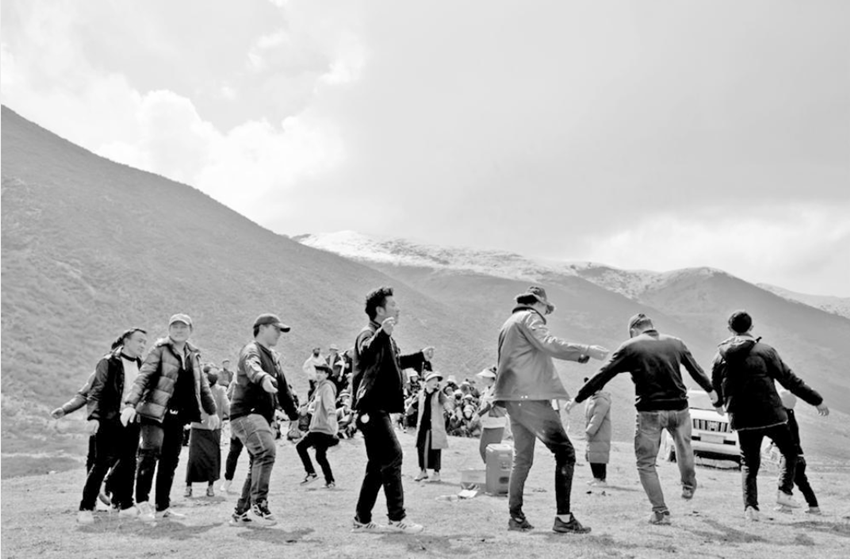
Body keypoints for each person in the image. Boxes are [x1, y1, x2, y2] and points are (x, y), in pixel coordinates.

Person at [570, 313, 718, 525]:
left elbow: (604, 374)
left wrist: (578, 398)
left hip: (650, 411)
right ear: (651, 326)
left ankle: (660, 512)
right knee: (684, 446)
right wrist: (712, 393)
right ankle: (688, 484)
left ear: (633, 330)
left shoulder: (630, 346)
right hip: (679, 408)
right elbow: (696, 370)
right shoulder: (676, 343)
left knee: (646, 463)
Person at [494, 286, 607, 534]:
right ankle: (563, 518)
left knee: (522, 459)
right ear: (538, 303)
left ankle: (516, 517)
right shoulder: (530, 317)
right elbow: (549, 343)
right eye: (547, 308)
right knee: (565, 453)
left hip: (512, 398)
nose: (547, 313)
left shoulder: (509, 323)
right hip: (530, 396)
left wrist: (578, 356)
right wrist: (586, 349)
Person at [710, 310, 829, 522]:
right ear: (751, 327)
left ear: (730, 329)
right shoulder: (766, 351)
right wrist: (816, 400)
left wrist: (719, 404)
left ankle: (751, 508)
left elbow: (715, 386)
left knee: (749, 464)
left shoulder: (720, 356)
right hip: (770, 415)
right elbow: (790, 380)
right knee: (790, 452)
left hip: (742, 418)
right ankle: (784, 492)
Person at [351, 286, 434, 534]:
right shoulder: (367, 334)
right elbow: (366, 351)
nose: (398, 309)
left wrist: (419, 356)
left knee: (377, 465)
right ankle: (397, 518)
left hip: (377, 409)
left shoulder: (383, 337)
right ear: (380, 310)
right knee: (393, 456)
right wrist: (382, 334)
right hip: (371, 408)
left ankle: (362, 519)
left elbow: (394, 363)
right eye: (393, 305)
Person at [121, 314, 217, 522]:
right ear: (169, 329)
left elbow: (202, 386)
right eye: (175, 326)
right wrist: (130, 404)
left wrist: (212, 411)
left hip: (178, 415)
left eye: (183, 327)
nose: (179, 330)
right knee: (150, 454)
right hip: (154, 412)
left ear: (190, 330)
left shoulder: (193, 356)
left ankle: (162, 507)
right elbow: (143, 377)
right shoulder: (159, 350)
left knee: (170, 460)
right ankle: (142, 503)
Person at [228, 313, 299, 527]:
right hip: (246, 414)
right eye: (276, 329)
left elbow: (284, 391)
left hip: (258, 417)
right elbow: (252, 366)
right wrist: (263, 377)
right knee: (266, 452)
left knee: (257, 462)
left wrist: (294, 417)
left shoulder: (274, 358)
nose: (279, 334)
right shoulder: (251, 350)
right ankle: (259, 505)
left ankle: (240, 513)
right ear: (262, 328)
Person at [77, 328, 148, 524]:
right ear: (126, 341)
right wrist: (93, 417)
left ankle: (126, 505)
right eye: (139, 341)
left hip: (132, 419)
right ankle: (85, 507)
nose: (143, 345)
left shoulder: (141, 364)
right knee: (101, 463)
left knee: (129, 463)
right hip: (109, 419)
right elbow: (96, 391)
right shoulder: (108, 362)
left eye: (145, 342)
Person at [774, 390, 821, 515]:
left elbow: (782, 435)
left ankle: (785, 507)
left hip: (790, 455)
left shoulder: (784, 417)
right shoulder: (790, 415)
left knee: (784, 480)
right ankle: (814, 507)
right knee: (802, 483)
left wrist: (773, 445)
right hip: (799, 456)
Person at [185, 368, 230, 498]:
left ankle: (210, 487)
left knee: (212, 459)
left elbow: (227, 407)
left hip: (213, 430)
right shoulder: (196, 389)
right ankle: (189, 487)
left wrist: (237, 415)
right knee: (194, 459)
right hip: (197, 428)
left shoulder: (220, 390)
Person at [296, 364, 340, 488]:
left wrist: (332, 422)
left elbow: (330, 406)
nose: (318, 374)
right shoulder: (319, 388)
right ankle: (330, 481)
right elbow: (317, 407)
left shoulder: (326, 388)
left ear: (327, 374)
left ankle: (311, 473)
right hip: (319, 427)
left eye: (321, 372)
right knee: (320, 456)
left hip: (321, 428)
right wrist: (307, 409)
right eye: (317, 372)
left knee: (300, 447)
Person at [414, 371, 451, 483]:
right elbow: (414, 404)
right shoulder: (421, 394)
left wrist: (450, 410)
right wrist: (406, 411)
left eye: (437, 380)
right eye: (433, 380)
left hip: (435, 426)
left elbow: (446, 403)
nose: (436, 382)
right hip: (423, 425)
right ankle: (423, 471)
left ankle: (436, 473)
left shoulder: (439, 394)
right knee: (421, 448)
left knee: (435, 449)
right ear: (427, 382)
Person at [582, 377, 612, 487]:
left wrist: (589, 431)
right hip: (594, 432)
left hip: (599, 433)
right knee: (593, 455)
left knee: (598, 456)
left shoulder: (601, 401)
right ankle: (596, 478)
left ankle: (601, 480)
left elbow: (597, 418)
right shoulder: (592, 399)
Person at [475, 367, 506, 463]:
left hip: (496, 423)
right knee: (483, 449)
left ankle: (493, 468)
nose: (483, 379)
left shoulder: (497, 390)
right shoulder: (486, 390)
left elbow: (490, 405)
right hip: (487, 423)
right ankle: (490, 467)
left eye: (485, 377)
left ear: (490, 378)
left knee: (493, 450)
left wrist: (478, 415)